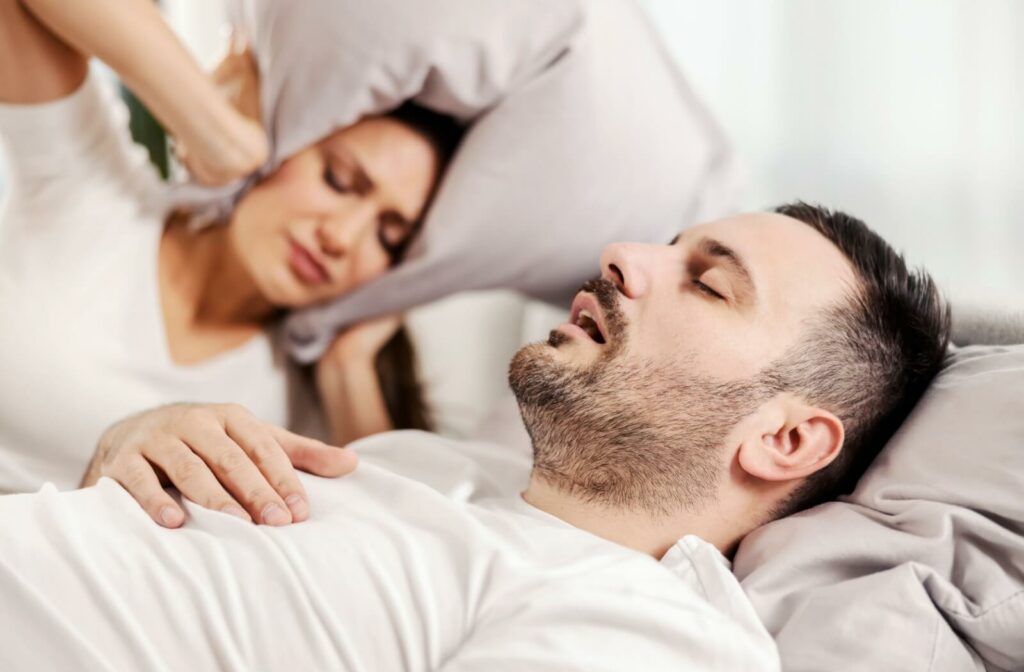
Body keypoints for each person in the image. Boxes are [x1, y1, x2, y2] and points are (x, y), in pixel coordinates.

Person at [0, 205, 950, 670]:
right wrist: (136, 446)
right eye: (670, 242)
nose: (626, 255)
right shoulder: (442, 469)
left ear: (785, 441)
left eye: (707, 283)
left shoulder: (655, 633)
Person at [0, 0, 460, 524]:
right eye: (337, 179)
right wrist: (225, 137)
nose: (342, 237)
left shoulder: (306, 409)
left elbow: (408, 543)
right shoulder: (95, 191)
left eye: (389, 236)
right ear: (281, 147)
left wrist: (348, 368)